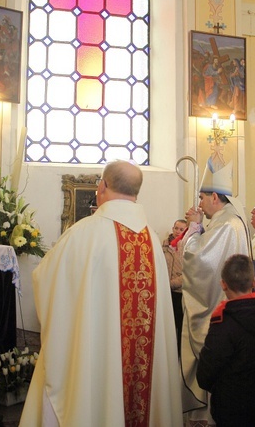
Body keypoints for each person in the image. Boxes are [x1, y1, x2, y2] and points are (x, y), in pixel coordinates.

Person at [20, 161, 182, 426]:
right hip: (144, 374)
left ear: (102, 186)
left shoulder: (82, 234)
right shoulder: (152, 239)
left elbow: (45, 281)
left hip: (94, 356)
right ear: (136, 193)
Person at [180, 158, 251, 424]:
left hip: (221, 313)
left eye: (201, 197)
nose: (199, 204)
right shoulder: (229, 220)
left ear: (213, 196)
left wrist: (194, 229)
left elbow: (198, 261)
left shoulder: (225, 224)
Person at [196, 254, 255, 427]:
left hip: (232, 406)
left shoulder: (224, 321)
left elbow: (205, 374)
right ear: (254, 282)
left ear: (223, 284)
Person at [163, 218, 187, 352]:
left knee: (180, 326)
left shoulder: (187, 246)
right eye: (176, 228)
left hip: (179, 292)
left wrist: (170, 284)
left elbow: (187, 274)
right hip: (166, 293)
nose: (177, 232)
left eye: (181, 229)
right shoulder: (165, 245)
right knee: (168, 325)